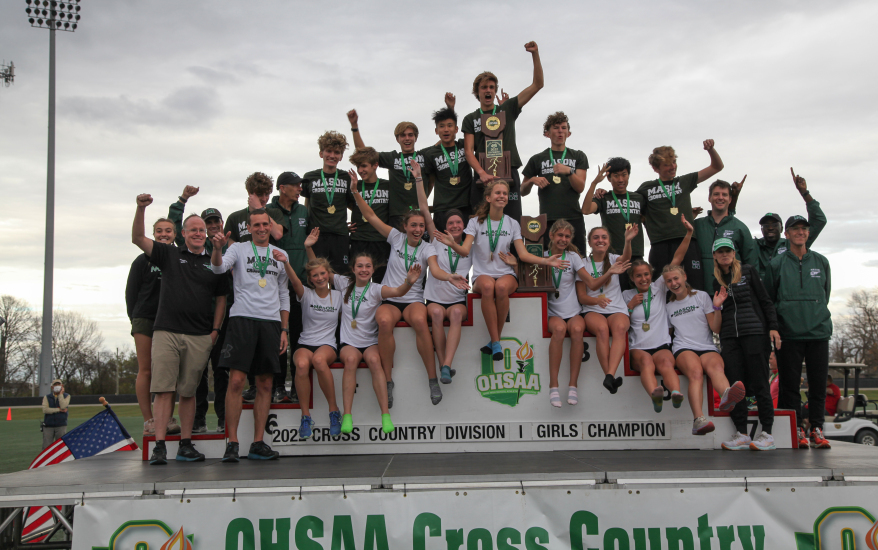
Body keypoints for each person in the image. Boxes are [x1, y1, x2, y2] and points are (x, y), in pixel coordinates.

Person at [350, 168, 470, 406]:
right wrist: (355, 191)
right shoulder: (395, 237)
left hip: (414, 299)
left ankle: (433, 379)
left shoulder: (427, 248)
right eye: (413, 225)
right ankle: (388, 380)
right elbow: (371, 216)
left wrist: (449, 277)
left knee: (419, 321)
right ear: (405, 226)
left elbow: (434, 270)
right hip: (392, 298)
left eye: (420, 226)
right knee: (383, 321)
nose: (417, 229)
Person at [132, 194, 228, 465]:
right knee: (164, 390)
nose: (198, 233)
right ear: (182, 233)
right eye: (193, 229)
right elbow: (138, 238)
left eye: (201, 229)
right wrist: (140, 209)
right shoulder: (169, 254)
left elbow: (222, 297)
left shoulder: (214, 261)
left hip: (200, 336)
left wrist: (215, 331)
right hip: (167, 332)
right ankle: (160, 446)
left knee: (188, 393)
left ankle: (186, 444)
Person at [288, 248, 420, 435]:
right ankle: (347, 415)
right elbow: (318, 270)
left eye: (368, 266)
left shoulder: (375, 289)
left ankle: (385, 414)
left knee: (375, 361)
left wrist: (409, 282)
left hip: (369, 342)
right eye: (360, 266)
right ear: (353, 269)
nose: (364, 269)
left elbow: (398, 291)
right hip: (348, 344)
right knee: (350, 361)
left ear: (373, 270)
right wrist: (309, 247)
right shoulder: (343, 283)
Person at [435, 180, 568, 362]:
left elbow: (523, 254)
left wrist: (546, 261)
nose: (502, 196)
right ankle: (496, 341)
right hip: (482, 275)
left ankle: (494, 341)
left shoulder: (512, 223)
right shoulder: (475, 222)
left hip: (506, 273)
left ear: (507, 199)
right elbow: (465, 250)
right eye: (498, 193)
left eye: (505, 194)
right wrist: (452, 244)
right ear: (488, 197)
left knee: (502, 288)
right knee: (489, 287)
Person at [211, 208, 289, 462]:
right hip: (242, 319)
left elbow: (284, 294)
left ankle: (258, 442)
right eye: (255, 225)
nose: (261, 229)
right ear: (249, 227)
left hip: (270, 323)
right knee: (236, 381)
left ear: (270, 225)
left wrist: (285, 328)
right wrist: (217, 249)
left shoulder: (281, 254)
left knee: (265, 384)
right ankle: (232, 443)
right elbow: (218, 269)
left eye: (264, 224)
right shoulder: (239, 249)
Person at [765, 214, 833, 449]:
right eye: (795, 229)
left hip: (818, 333)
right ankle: (795, 430)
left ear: (808, 233)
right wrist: (776, 327)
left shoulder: (821, 262)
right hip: (789, 334)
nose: (800, 232)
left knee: (817, 385)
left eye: (804, 229)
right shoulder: (777, 263)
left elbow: (825, 294)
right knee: (790, 386)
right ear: (787, 234)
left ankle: (816, 428)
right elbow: (770, 299)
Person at [167, 186, 232, 429]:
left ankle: (225, 419)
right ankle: (198, 420)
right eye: (208, 223)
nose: (213, 226)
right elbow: (175, 228)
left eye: (216, 222)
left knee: (222, 370)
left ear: (221, 223)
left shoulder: (226, 248)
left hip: (222, 319)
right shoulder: (188, 250)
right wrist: (182, 200)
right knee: (197, 373)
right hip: (197, 322)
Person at [460, 41, 544, 221]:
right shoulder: (470, 118)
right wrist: (482, 173)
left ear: (495, 90)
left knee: (512, 222)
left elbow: (537, 84)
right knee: (479, 223)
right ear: (477, 92)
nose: (488, 90)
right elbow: (468, 151)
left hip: (509, 173)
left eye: (491, 87)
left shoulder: (506, 109)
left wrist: (534, 54)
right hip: (483, 177)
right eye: (484, 87)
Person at [711, 238, 782, 451]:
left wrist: (773, 326)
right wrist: (717, 306)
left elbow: (765, 300)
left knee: (760, 382)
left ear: (734, 253)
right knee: (736, 386)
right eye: (720, 252)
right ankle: (741, 432)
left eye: (728, 251)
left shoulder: (748, 271)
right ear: (714, 256)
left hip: (754, 333)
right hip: (730, 337)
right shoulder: (715, 280)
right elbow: (718, 314)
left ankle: (767, 433)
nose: (725, 255)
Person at [662, 263, 745, 435]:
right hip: (683, 347)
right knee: (696, 372)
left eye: (676, 278)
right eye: (669, 281)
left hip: (706, 346)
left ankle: (726, 395)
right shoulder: (668, 306)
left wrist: (717, 307)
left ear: (684, 277)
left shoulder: (701, 297)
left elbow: (715, 328)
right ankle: (698, 420)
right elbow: (667, 334)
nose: (673, 283)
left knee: (716, 367)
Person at [622, 217, 694, 413]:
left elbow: (676, 260)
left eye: (646, 274)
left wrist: (688, 234)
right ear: (632, 278)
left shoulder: (659, 287)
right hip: (638, 347)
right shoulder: (626, 295)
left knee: (665, 363)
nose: (643, 278)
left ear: (651, 275)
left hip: (660, 344)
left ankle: (676, 393)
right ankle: (656, 396)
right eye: (638, 275)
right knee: (646, 362)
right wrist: (629, 307)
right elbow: (621, 325)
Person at [414, 164, 474, 386]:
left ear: (464, 226)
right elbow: (423, 208)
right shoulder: (436, 238)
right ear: (446, 226)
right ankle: (443, 365)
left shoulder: (470, 246)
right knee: (437, 315)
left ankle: (447, 364)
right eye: (451, 222)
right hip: (435, 298)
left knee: (456, 315)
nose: (455, 225)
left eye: (459, 222)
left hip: (458, 299)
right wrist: (419, 178)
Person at [636, 140, 724, 289]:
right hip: (660, 245)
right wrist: (603, 193)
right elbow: (629, 205)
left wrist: (711, 150)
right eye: (667, 165)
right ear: (655, 168)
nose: (673, 167)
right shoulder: (646, 188)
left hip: (687, 242)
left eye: (674, 162)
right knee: (663, 288)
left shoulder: (684, 181)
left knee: (694, 285)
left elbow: (717, 167)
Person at [125, 216, 180, 436]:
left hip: (171, 321)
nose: (164, 234)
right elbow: (131, 293)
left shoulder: (180, 258)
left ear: (175, 234)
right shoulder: (142, 260)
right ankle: (149, 420)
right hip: (145, 319)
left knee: (168, 372)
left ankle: (165, 417)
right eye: (159, 231)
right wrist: (135, 321)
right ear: (154, 234)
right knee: (146, 369)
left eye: (168, 230)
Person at [278, 252, 342, 439]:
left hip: (327, 344)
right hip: (305, 343)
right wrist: (286, 262)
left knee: (320, 361)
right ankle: (305, 416)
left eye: (323, 274)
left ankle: (333, 411)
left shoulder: (339, 296)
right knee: (303, 364)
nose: (320, 278)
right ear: (311, 279)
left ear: (328, 274)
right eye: (315, 275)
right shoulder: (306, 294)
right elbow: (295, 280)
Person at [576, 225, 637, 395]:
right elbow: (582, 297)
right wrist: (596, 300)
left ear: (609, 242)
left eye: (604, 237)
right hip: (592, 308)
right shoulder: (582, 264)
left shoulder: (614, 258)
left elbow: (627, 256)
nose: (600, 240)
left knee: (619, 328)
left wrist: (628, 240)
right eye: (596, 237)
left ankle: (609, 375)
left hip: (616, 308)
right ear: (589, 242)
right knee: (602, 329)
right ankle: (608, 375)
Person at [266, 171, 309, 405]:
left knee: (299, 336)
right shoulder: (269, 211)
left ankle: (297, 386)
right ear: (283, 188)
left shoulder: (304, 211)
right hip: (275, 284)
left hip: (300, 282)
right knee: (278, 337)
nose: (299, 189)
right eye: (295, 186)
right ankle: (278, 385)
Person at [521, 111, 589, 253]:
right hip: (548, 218)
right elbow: (522, 191)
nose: (560, 131)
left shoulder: (578, 156)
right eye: (556, 128)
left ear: (569, 133)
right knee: (548, 262)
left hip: (573, 217)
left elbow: (580, 187)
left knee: (579, 258)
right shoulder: (537, 158)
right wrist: (532, 180)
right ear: (547, 133)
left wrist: (569, 171)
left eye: (564, 128)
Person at [348, 110, 427, 230]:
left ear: (416, 138)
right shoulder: (392, 157)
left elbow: (444, 141)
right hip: (397, 215)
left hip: (420, 214)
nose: (407, 138)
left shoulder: (425, 156)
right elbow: (364, 153)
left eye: (410, 135)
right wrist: (355, 127)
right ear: (397, 139)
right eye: (403, 135)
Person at [541, 221, 588, 407]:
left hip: (573, 310)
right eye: (560, 235)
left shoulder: (574, 257)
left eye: (567, 236)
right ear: (551, 236)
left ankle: (573, 385)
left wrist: (610, 273)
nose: (563, 239)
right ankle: (553, 385)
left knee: (576, 329)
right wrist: (514, 264)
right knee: (559, 330)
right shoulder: (542, 256)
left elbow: (589, 282)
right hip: (553, 312)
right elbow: (527, 277)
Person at [581, 160, 646, 291]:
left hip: (636, 253)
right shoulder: (604, 198)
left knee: (639, 293)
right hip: (612, 256)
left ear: (629, 175)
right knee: (617, 292)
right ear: (609, 178)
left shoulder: (639, 197)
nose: (621, 179)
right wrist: (594, 183)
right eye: (616, 176)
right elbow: (586, 210)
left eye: (624, 174)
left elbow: (649, 217)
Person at [754, 169, 827, 279]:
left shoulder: (794, 243)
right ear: (761, 229)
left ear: (782, 228)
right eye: (765, 225)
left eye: (774, 224)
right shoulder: (753, 246)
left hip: (786, 294)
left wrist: (804, 193)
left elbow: (819, 220)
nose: (770, 228)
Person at [301, 132, 353, 273]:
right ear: (321, 153)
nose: (332, 155)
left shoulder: (346, 177)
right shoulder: (310, 177)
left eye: (337, 152)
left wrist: (355, 224)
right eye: (328, 151)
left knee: (341, 278)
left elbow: (353, 204)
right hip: (317, 236)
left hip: (340, 236)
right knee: (317, 276)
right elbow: (307, 202)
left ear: (341, 156)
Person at [692, 179, 757, 292]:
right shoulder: (697, 225)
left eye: (724, 195)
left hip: (732, 293)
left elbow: (751, 263)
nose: (720, 198)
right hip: (702, 292)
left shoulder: (740, 227)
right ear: (709, 198)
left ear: (730, 199)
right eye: (716, 194)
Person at [419, 103, 474, 232]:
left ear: (456, 129)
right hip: (442, 208)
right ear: (436, 131)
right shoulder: (431, 153)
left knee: (465, 247)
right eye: (441, 126)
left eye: (450, 126)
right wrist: (422, 204)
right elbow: (431, 182)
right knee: (442, 248)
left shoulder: (464, 145)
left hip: (465, 206)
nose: (446, 130)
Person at [347, 147, 392, 282]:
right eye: (358, 167)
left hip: (380, 241)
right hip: (358, 240)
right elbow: (347, 206)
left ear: (375, 165)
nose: (360, 170)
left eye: (364, 166)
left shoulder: (387, 185)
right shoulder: (354, 185)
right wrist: (342, 227)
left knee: (380, 283)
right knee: (356, 283)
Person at [41, 379, 69, 450]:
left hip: (61, 425)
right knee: (46, 446)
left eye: (58, 384)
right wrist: (59, 410)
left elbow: (63, 406)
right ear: (52, 387)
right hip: (48, 425)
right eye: (55, 385)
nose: (57, 386)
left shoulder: (67, 396)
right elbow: (45, 410)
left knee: (60, 446)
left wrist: (60, 395)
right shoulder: (47, 397)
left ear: (62, 386)